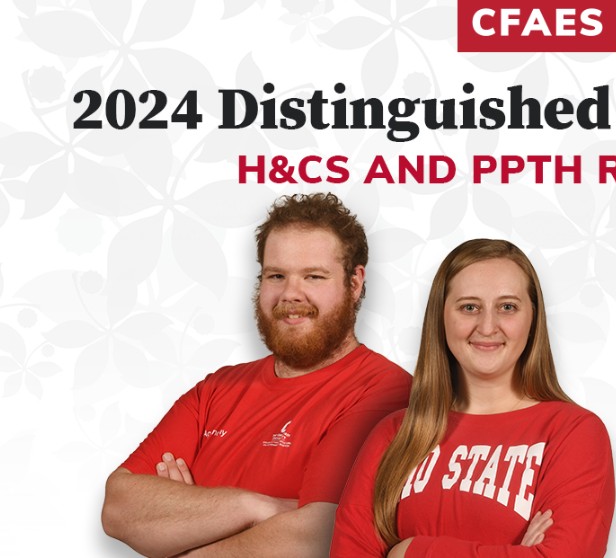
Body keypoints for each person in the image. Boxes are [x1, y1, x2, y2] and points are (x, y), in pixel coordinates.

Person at [101, 193, 412, 557]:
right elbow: (118, 507)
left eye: (313, 276)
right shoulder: (217, 389)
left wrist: (185, 518)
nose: (290, 294)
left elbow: (318, 536)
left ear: (355, 282)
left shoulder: (387, 393)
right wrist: (254, 508)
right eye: (276, 275)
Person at [331, 238, 615, 557]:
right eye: (469, 307)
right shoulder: (395, 435)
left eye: (507, 307)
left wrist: (410, 551)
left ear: (533, 319)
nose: (488, 326)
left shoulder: (573, 433)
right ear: (442, 317)